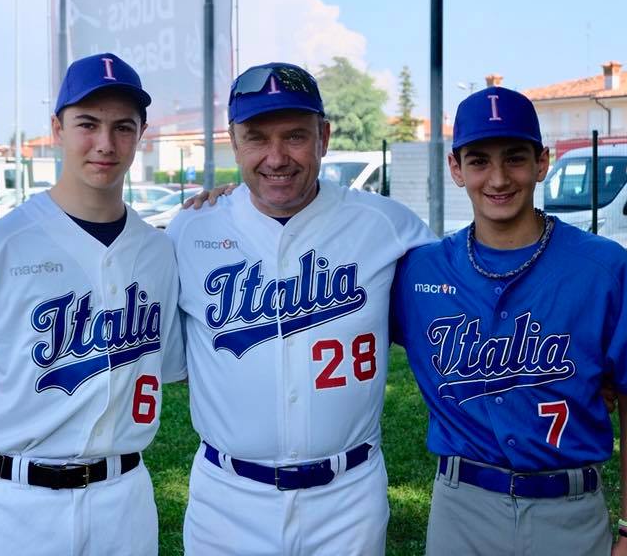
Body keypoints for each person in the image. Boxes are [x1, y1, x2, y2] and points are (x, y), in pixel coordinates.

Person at [0, 52, 185, 556]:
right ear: (57, 128)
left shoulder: (160, 252)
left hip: (124, 503)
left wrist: (227, 202)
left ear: (141, 135)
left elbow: (178, 367)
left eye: (123, 127)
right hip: (12, 506)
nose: (105, 143)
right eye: (87, 124)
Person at [166, 62, 435, 555]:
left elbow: (470, 298)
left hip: (348, 499)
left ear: (324, 137)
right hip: (225, 501)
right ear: (233, 141)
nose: (276, 157)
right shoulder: (191, 230)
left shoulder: (386, 225)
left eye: (294, 136)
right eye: (256, 138)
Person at [391, 86, 627, 556]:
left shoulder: (603, 267)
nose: (497, 178)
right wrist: (226, 204)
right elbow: (333, 318)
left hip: (570, 509)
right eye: (478, 161)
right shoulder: (419, 272)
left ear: (542, 162)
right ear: (455, 169)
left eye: (514, 158)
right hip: (462, 510)